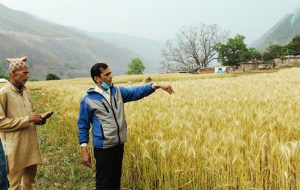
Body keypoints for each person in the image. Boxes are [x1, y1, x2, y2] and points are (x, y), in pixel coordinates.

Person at [78, 63, 174, 190]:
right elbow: (83, 125)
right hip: (104, 147)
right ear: (97, 78)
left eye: (110, 73)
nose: (110, 76)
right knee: (104, 183)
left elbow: (136, 92)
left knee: (116, 180)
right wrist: (84, 150)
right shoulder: (88, 99)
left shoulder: (117, 91)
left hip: (119, 144)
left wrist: (156, 85)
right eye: (106, 74)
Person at [0, 56, 51, 190]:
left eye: (27, 73)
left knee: (30, 182)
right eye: (24, 73)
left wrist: (40, 119)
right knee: (13, 185)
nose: (27, 76)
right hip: (14, 148)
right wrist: (27, 119)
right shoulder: (3, 93)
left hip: (30, 146)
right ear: (13, 73)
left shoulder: (26, 91)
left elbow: (32, 114)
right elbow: (1, 123)